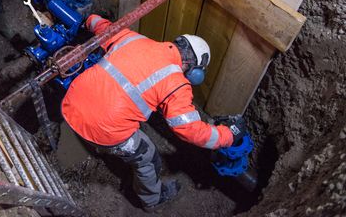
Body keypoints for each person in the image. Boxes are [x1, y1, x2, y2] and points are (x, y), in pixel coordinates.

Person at [61, 14, 247, 209]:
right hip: (103, 129)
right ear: (194, 69)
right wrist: (228, 135)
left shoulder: (135, 38)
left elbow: (104, 27)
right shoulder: (177, 82)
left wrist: (89, 19)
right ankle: (152, 200)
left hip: (71, 101)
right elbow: (189, 129)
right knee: (147, 157)